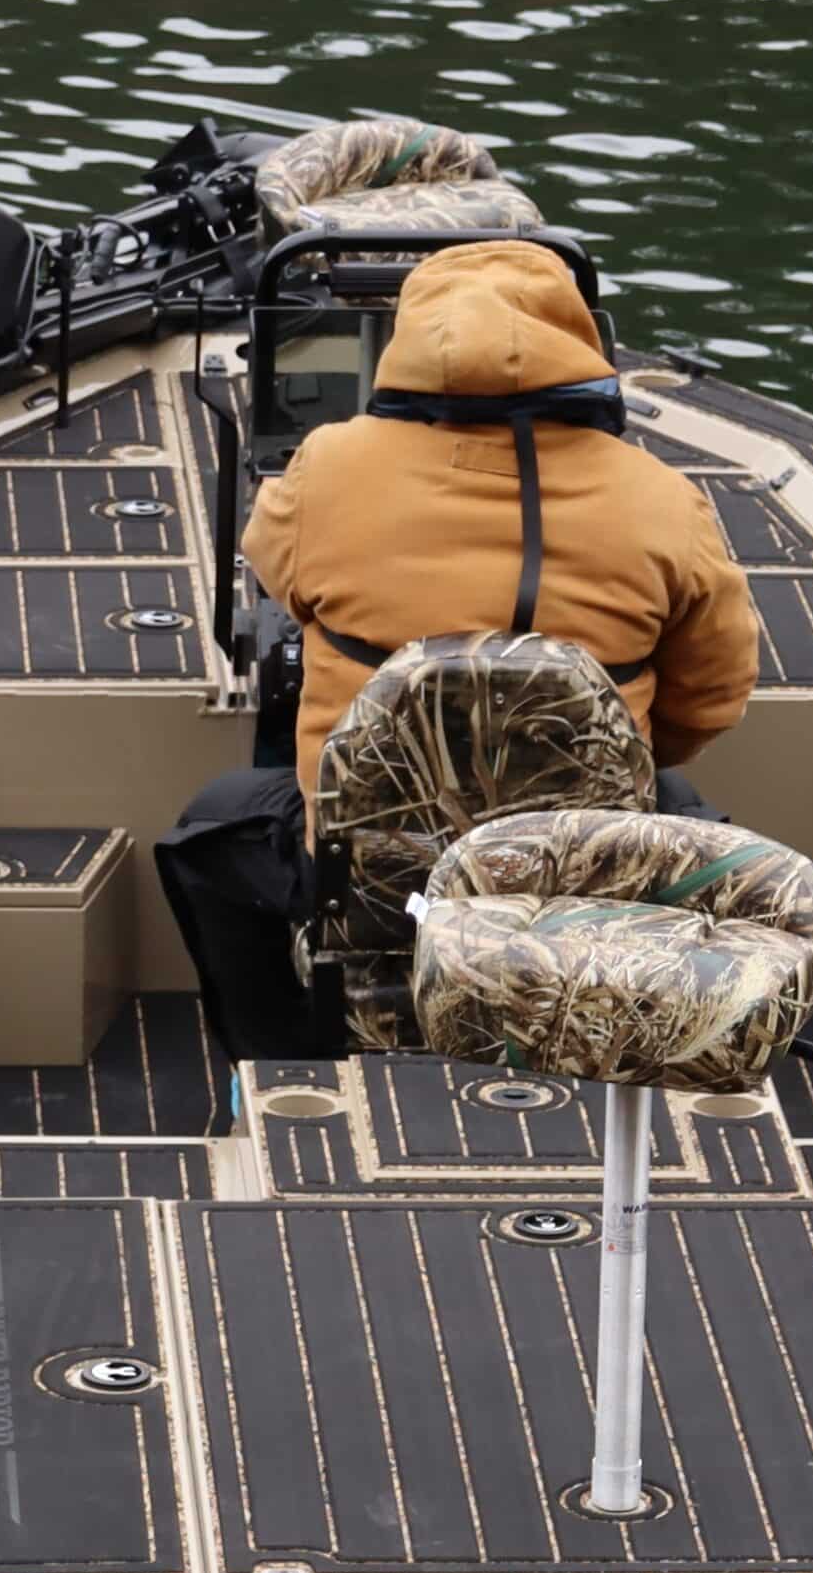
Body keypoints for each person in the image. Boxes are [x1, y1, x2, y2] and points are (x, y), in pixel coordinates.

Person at [159, 239, 759, 1057]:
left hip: (362, 876)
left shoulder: (326, 467)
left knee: (214, 824)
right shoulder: (664, 501)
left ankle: (271, 1053)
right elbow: (710, 700)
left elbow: (279, 587)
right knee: (687, 811)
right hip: (580, 879)